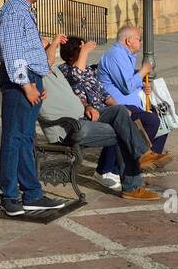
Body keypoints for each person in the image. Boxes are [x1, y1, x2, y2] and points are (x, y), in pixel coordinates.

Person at [40, 41, 160, 202]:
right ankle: (133, 185)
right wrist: (60, 44)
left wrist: (87, 106)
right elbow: (73, 74)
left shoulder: (54, 70)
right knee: (122, 130)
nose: (50, 46)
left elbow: (75, 95)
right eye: (45, 45)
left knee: (120, 112)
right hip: (69, 126)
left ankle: (143, 155)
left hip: (84, 116)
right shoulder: (38, 71)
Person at [0, 0, 67, 217]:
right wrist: (27, 85)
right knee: (13, 138)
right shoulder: (14, 12)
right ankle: (10, 195)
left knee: (24, 138)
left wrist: (36, 81)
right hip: (19, 82)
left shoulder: (21, 10)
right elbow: (12, 53)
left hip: (30, 78)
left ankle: (32, 194)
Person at [98, 24, 169, 158]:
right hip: (116, 105)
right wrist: (144, 70)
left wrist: (142, 85)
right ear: (128, 40)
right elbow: (127, 86)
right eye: (139, 39)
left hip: (132, 103)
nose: (141, 42)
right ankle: (139, 156)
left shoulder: (126, 55)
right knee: (150, 120)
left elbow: (128, 81)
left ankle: (153, 154)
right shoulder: (115, 55)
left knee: (161, 115)